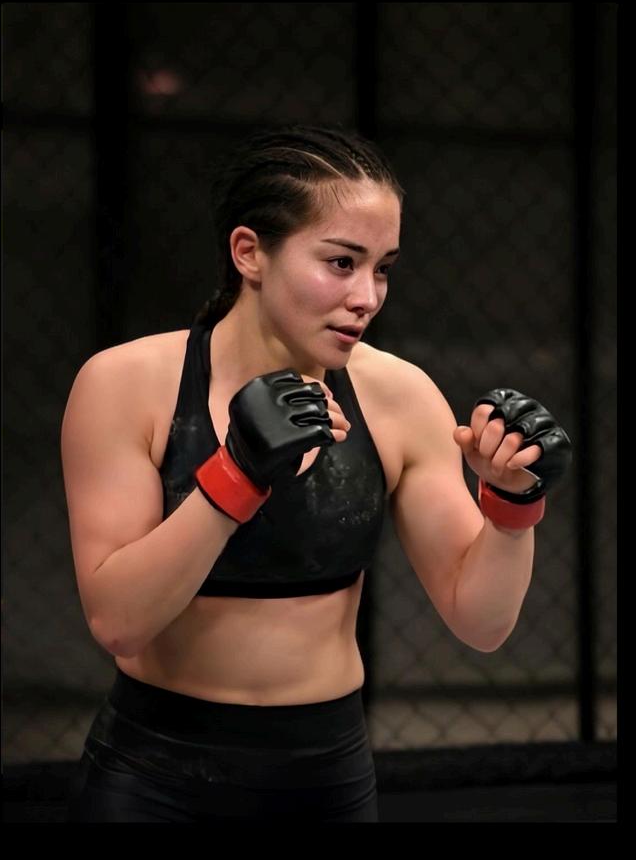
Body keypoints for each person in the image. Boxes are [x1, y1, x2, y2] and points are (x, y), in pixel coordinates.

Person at [61, 124, 571, 823]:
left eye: (382, 268)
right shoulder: (126, 384)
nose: (367, 296)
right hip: (157, 775)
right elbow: (119, 623)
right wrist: (237, 474)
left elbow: (481, 623)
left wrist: (511, 506)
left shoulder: (398, 396)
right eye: (341, 262)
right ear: (250, 253)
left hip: (326, 776)